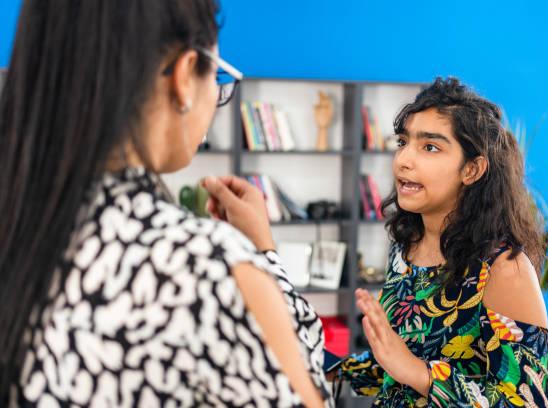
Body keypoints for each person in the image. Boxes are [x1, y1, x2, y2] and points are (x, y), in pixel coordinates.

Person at [0, 1, 331, 406]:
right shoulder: (205, 266)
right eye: (220, 78)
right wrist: (264, 257)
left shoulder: (19, 225)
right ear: (184, 75)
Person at [333, 77, 548, 407]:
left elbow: (532, 400)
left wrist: (420, 374)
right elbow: (399, 358)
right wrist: (331, 369)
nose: (403, 160)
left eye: (430, 147)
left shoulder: (504, 268)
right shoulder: (405, 246)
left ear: (472, 170)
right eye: (402, 142)